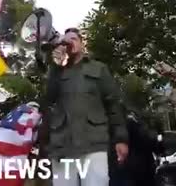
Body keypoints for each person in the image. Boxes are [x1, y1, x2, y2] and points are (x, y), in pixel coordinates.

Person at [43, 28, 129, 186]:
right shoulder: (57, 71)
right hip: (63, 147)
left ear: (82, 43)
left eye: (74, 39)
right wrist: (55, 67)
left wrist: (121, 139)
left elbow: (113, 105)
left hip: (94, 143)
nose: (69, 42)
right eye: (65, 40)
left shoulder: (98, 68)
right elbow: (48, 99)